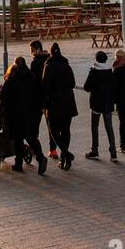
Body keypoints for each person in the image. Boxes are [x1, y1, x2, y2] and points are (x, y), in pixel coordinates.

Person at [0, 57, 47, 174]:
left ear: (15, 65)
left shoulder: (10, 79)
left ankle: (19, 163)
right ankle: (41, 158)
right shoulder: (33, 77)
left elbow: (3, 97)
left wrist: (4, 109)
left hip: (15, 115)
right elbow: (40, 93)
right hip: (31, 114)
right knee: (31, 138)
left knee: (18, 139)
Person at [41, 42, 78, 170]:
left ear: (51, 52)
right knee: (66, 130)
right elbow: (73, 83)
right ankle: (64, 157)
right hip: (68, 101)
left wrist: (44, 102)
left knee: (54, 130)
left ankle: (66, 154)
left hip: (54, 102)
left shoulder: (49, 66)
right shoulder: (66, 65)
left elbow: (45, 86)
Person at [83, 49, 117, 161]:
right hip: (108, 103)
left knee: (95, 127)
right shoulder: (110, 71)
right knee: (109, 127)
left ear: (96, 59)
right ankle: (113, 153)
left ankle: (95, 150)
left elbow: (86, 87)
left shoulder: (93, 71)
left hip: (96, 103)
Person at [29, 39, 58, 159]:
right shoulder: (49, 60)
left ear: (36, 49)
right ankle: (53, 150)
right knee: (51, 125)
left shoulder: (35, 63)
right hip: (50, 97)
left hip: (38, 98)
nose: (31, 52)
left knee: (34, 125)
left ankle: (34, 149)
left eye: (31, 50)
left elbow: (33, 82)